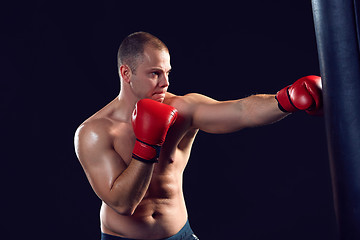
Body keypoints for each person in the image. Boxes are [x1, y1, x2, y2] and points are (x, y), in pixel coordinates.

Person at [74, 31, 322, 240]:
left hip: (179, 233)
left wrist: (286, 99)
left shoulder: (181, 109)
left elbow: (241, 110)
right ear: (126, 73)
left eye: (167, 73)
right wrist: (148, 143)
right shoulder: (94, 132)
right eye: (154, 74)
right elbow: (122, 204)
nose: (165, 83)